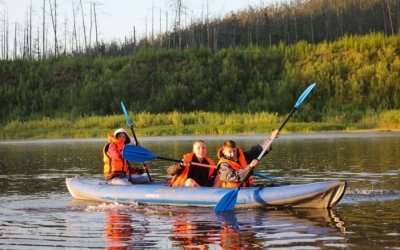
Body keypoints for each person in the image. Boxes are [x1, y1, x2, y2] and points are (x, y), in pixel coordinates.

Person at [216, 129, 280, 188]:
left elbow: (257, 150)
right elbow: (233, 177)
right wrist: (250, 167)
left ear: (236, 149)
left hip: (247, 187)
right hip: (231, 190)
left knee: (272, 185)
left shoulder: (242, 157)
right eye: (229, 152)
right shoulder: (223, 165)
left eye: (234, 151)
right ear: (224, 152)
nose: (233, 154)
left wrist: (271, 138)